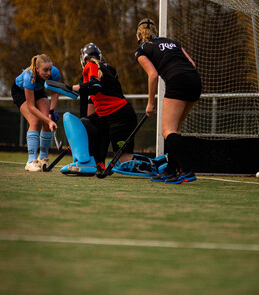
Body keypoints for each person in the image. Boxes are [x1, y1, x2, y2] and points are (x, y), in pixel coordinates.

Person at [135, 18, 202, 184]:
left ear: (138, 35)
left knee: (167, 131)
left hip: (177, 81)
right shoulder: (173, 42)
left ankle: (186, 170)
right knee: (175, 130)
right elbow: (192, 64)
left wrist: (150, 103)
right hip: (195, 80)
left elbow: (153, 75)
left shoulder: (142, 49)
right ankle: (171, 171)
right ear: (155, 32)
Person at [71, 43, 137, 173]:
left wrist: (70, 88)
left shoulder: (99, 70)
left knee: (125, 163)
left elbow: (95, 95)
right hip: (113, 113)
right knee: (89, 123)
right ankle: (97, 162)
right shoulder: (100, 69)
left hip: (118, 114)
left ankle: (99, 162)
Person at [11, 54, 60, 172]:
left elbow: (55, 93)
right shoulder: (29, 77)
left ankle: (43, 158)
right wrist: (48, 119)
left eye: (50, 69)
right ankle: (31, 161)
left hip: (38, 91)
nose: (49, 73)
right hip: (21, 92)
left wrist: (51, 113)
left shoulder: (55, 73)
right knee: (35, 121)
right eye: (45, 70)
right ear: (37, 69)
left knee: (47, 120)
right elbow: (31, 107)